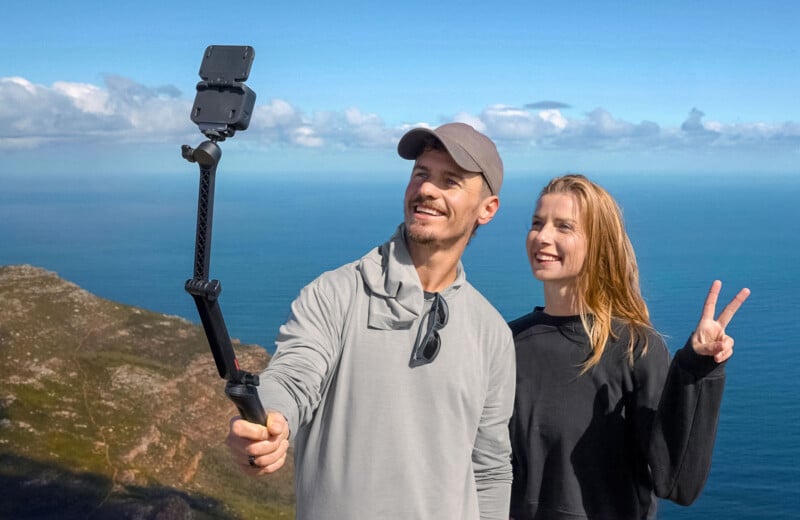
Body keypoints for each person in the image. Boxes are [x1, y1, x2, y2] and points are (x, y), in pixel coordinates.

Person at [225, 122, 516, 519]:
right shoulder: (335, 294)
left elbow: (490, 468)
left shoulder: (492, 333)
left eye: (450, 181)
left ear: (488, 209)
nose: (427, 190)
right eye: (421, 174)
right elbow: (294, 376)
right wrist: (270, 421)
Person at [508, 174, 750, 520]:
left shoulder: (635, 349)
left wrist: (697, 369)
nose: (542, 237)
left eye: (564, 227)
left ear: (598, 243)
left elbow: (678, 484)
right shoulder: (506, 343)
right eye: (537, 223)